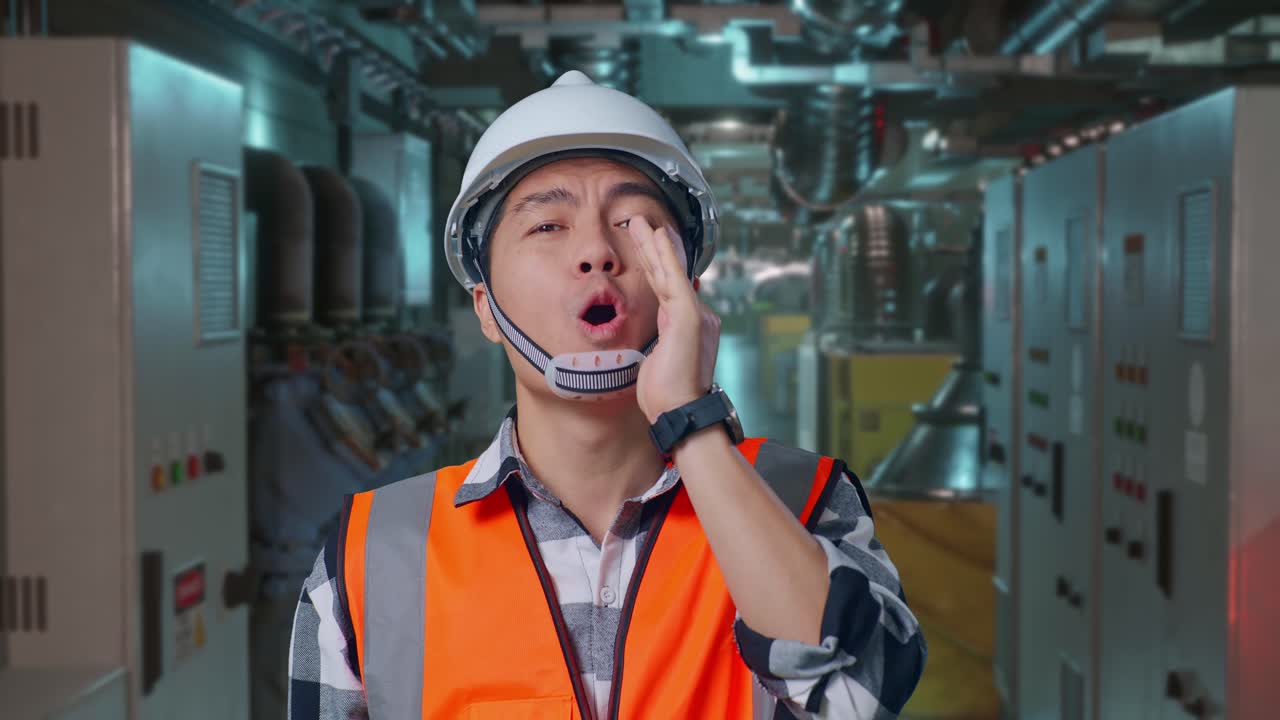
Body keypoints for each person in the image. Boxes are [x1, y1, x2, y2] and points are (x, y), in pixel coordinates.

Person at [287, 70, 926, 719]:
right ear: (485, 307)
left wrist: (693, 425)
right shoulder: (371, 555)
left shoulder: (803, 502)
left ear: (687, 289)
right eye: (547, 226)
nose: (595, 251)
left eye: (632, 222)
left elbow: (863, 696)